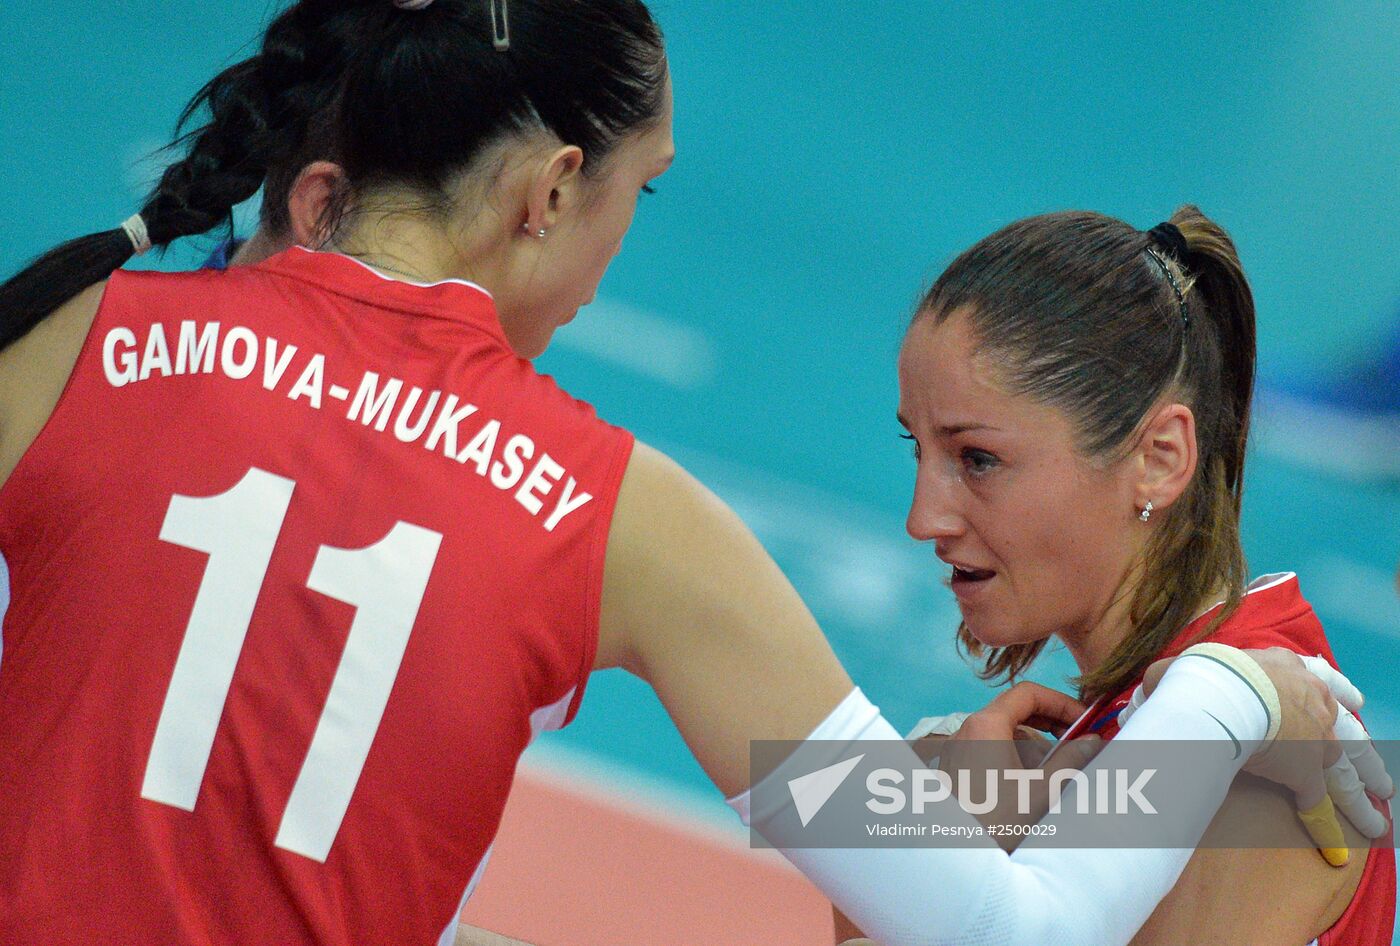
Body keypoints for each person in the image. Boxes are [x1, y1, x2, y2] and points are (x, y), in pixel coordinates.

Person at [0, 2, 1386, 944]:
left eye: (976, 457)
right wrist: (1222, 694)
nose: (923, 514)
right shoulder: (614, 511)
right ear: (546, 193)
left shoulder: (83, 326)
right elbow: (983, 907)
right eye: (635, 196)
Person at [832, 207, 1393, 944]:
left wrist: (944, 854)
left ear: (1159, 458)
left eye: (977, 460)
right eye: (920, 451)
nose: (924, 518)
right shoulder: (1154, 732)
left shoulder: (1259, 785)